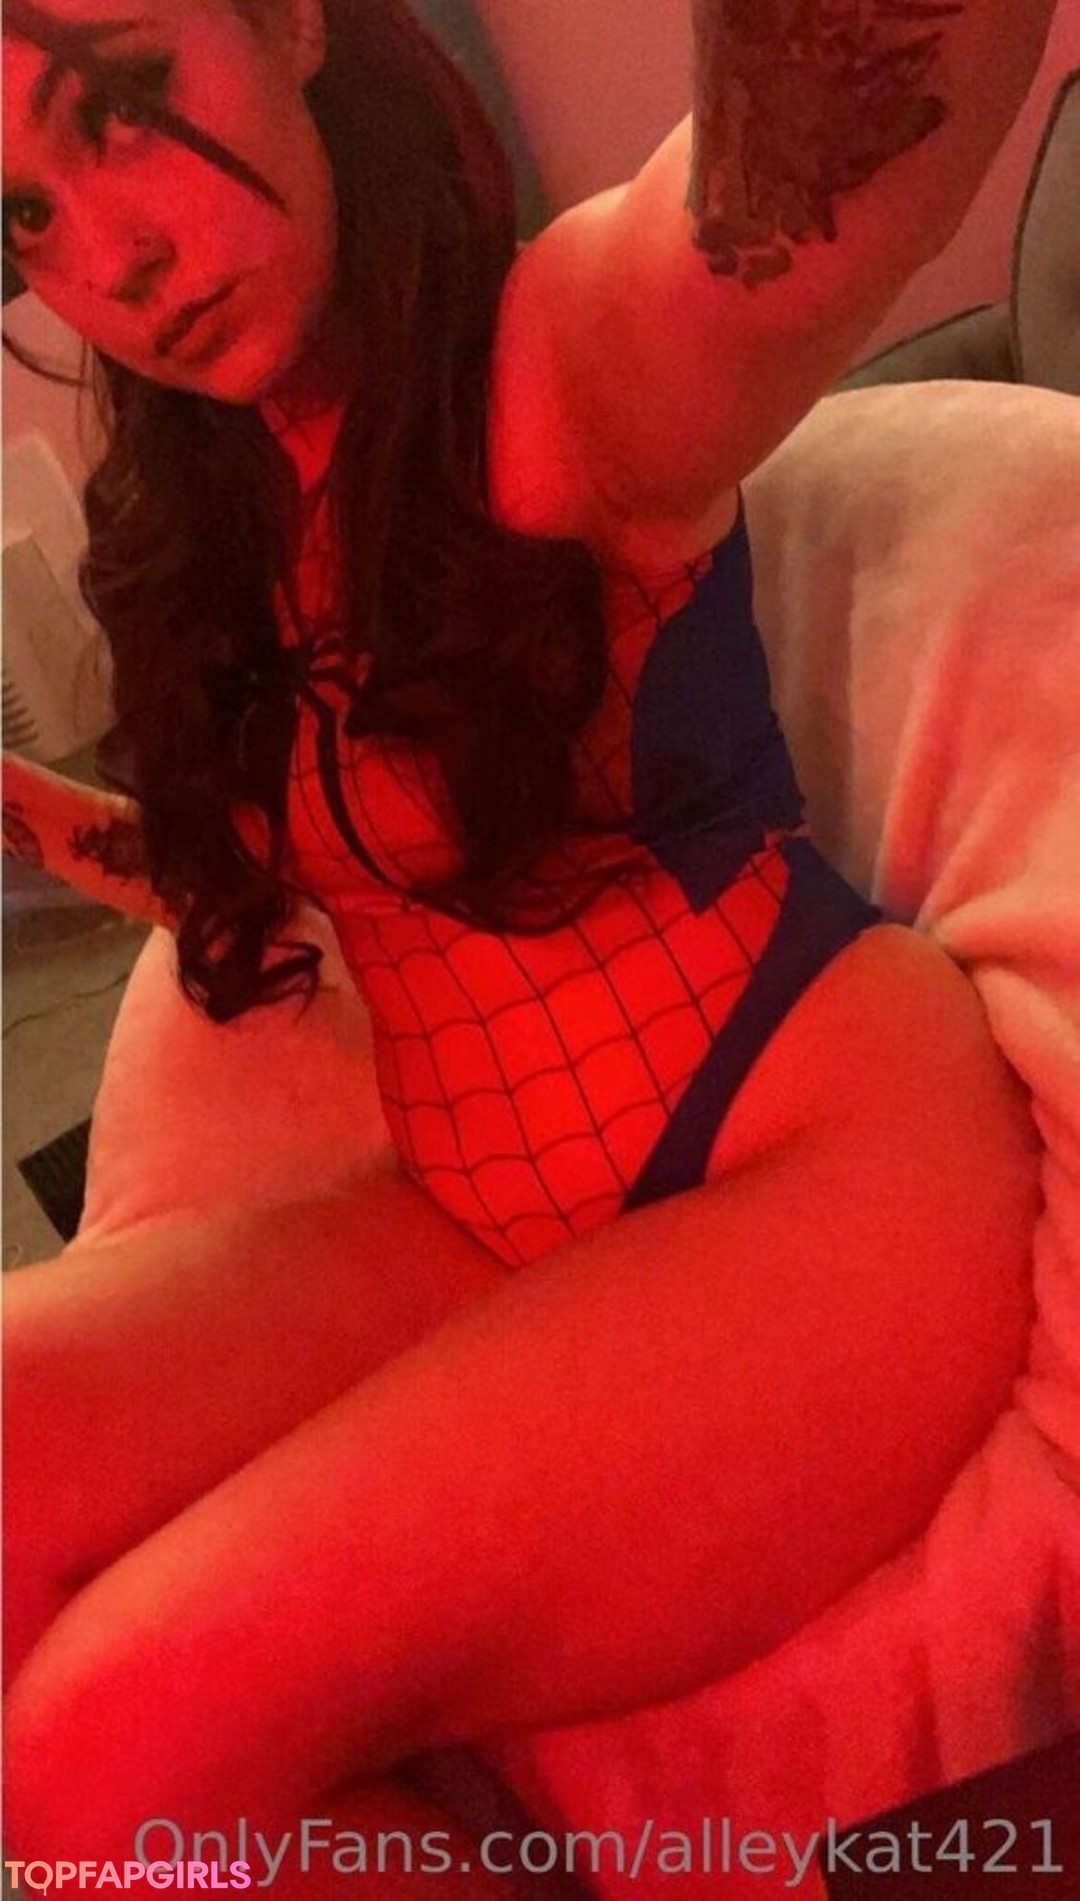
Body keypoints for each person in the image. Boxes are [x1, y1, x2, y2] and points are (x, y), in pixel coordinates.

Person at [1, 0, 1055, 1886]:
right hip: (479, 1209)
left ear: (293, 21)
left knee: (93, 1762)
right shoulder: (228, 506)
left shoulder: (552, 370)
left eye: (133, 104)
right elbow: (259, 894)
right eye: (23, 212)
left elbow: (805, 206)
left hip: (810, 1158)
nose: (112, 255)